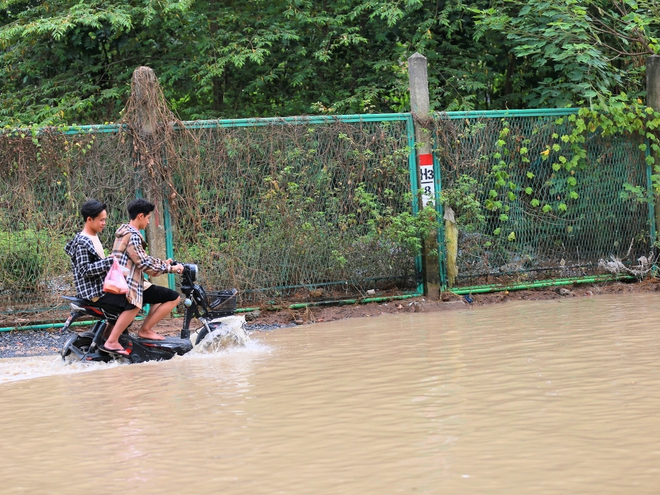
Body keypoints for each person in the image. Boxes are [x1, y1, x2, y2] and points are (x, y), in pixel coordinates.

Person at [64, 199, 139, 356]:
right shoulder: (83, 241)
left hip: (99, 287)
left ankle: (105, 343)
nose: (104, 223)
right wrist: (109, 261)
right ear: (89, 219)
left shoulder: (93, 237)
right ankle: (111, 342)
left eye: (105, 219)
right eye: (101, 220)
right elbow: (84, 270)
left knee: (123, 308)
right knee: (133, 302)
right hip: (93, 292)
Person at [110, 198, 184, 342]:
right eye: (148, 218)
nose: (149, 222)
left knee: (158, 297)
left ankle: (145, 329)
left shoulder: (123, 233)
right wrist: (171, 269)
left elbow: (141, 258)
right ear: (140, 216)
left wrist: (163, 263)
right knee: (174, 297)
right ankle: (145, 330)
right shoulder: (133, 236)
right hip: (131, 284)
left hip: (122, 280)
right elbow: (144, 264)